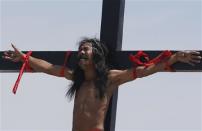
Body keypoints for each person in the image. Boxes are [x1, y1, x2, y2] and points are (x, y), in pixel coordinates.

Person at [2, 38, 201, 131]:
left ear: (96, 53)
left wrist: (174, 58)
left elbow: (144, 71)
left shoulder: (110, 79)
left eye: (86, 49)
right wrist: (25, 58)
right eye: (80, 50)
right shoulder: (76, 78)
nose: (81, 52)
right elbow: (48, 67)